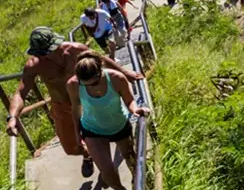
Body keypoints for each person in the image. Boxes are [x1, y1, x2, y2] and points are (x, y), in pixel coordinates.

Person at [6, 27, 142, 177]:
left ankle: (108, 169)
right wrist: (13, 117)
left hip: (86, 100)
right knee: (71, 148)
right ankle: (87, 154)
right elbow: (21, 91)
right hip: (62, 107)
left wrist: (127, 73)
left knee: (108, 133)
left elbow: (102, 60)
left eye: (48, 50)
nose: (45, 56)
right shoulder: (34, 65)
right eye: (40, 53)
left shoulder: (75, 50)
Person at [67, 52, 149, 190]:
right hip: (92, 129)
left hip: (118, 125)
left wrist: (135, 109)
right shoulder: (73, 84)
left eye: (95, 82)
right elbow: (75, 109)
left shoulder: (116, 78)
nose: (91, 86)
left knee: (130, 157)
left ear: (100, 71)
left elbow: (129, 99)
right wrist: (77, 133)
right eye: (86, 84)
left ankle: (138, 182)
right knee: (106, 168)